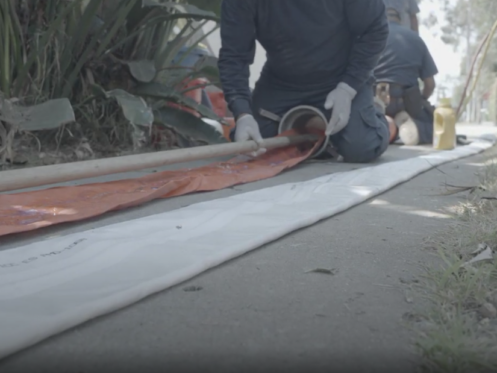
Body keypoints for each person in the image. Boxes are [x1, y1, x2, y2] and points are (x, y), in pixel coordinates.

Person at [218, 0, 390, 163]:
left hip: (341, 77)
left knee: (361, 148)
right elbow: (234, 56)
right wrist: (243, 114)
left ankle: (378, 119)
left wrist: (348, 87)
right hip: (281, 82)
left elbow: (375, 29)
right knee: (253, 147)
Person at [374, 7, 438, 145]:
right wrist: (422, 99)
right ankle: (411, 126)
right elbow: (430, 85)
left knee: (363, 120)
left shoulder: (369, 37)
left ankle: (387, 126)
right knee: (434, 122)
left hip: (375, 101)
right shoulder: (416, 39)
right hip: (408, 103)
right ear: (401, 20)